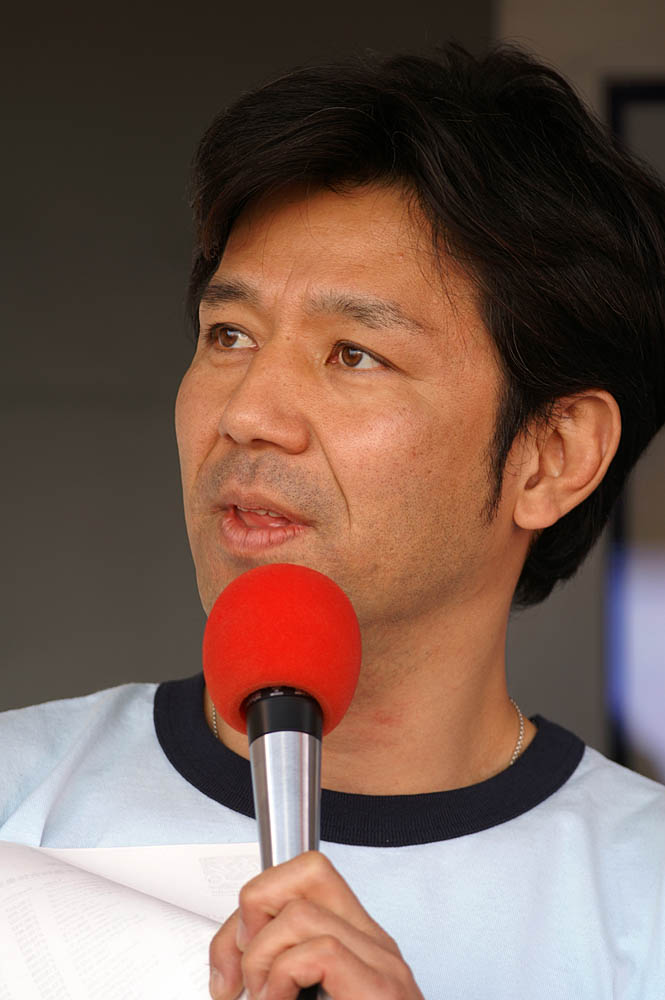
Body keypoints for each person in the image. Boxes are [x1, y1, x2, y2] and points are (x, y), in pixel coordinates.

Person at [1, 42, 664, 999]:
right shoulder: (19, 800)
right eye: (230, 335)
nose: (247, 413)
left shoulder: (643, 904)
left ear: (552, 455)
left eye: (354, 354)